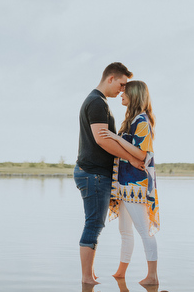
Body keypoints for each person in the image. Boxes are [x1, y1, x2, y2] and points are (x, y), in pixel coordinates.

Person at [74, 62, 141, 285]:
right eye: (121, 84)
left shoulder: (98, 101)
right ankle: (86, 279)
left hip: (93, 173)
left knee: (94, 223)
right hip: (93, 173)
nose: (123, 90)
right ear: (110, 78)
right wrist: (131, 157)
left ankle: (89, 275)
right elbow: (102, 139)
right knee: (94, 224)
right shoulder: (97, 103)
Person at [99, 80, 160, 285]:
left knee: (144, 230)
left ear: (134, 95)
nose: (121, 94)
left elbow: (142, 154)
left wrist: (116, 139)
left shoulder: (142, 121)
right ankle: (120, 273)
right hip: (124, 184)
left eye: (125, 92)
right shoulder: (132, 120)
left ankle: (152, 276)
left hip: (135, 186)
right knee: (125, 231)